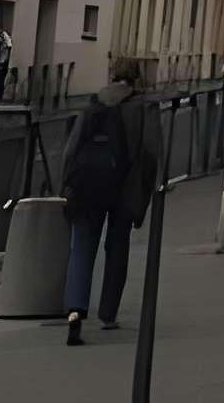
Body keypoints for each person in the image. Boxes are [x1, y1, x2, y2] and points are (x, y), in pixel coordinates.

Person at [60, 55, 161, 344]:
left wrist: (66, 187)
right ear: (136, 77)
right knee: (117, 247)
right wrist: (150, 189)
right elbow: (151, 152)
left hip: (87, 184)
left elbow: (71, 150)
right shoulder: (144, 107)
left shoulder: (94, 103)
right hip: (125, 187)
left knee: (81, 245)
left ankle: (75, 311)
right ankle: (108, 313)